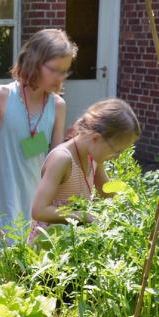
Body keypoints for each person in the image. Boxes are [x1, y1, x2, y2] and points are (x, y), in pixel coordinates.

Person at [0, 29, 77, 232]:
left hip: (38, 203)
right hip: (3, 197)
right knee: (0, 259)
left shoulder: (57, 105)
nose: (60, 77)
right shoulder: (1, 96)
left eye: (64, 71)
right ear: (34, 61)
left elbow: (56, 159)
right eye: (54, 69)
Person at [29, 98, 141, 237]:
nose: (117, 157)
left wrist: (133, 209)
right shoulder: (62, 159)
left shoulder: (93, 158)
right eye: (116, 150)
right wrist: (82, 216)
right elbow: (39, 210)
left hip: (73, 239)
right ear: (95, 139)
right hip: (49, 243)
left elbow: (108, 193)